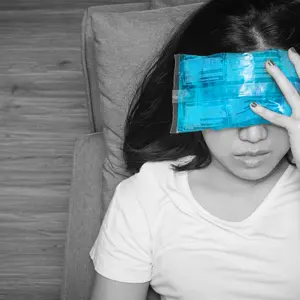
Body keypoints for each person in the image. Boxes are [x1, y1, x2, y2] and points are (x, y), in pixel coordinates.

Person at [89, 0, 300, 299]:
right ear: (187, 97)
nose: (254, 135)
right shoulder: (145, 197)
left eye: (276, 106)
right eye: (228, 108)